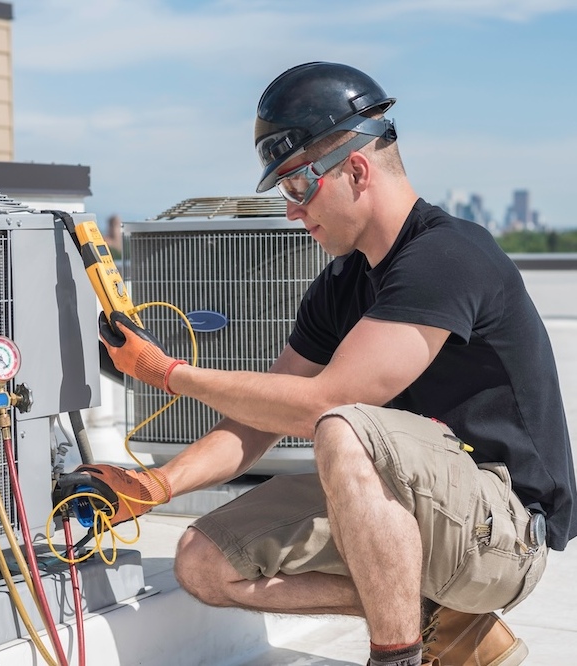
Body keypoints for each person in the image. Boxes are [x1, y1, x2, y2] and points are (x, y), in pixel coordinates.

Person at [58, 62, 577, 666]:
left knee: (341, 427)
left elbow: (323, 404)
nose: (291, 211)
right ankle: (448, 624)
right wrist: (156, 485)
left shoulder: (448, 255)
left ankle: (398, 656)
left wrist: (168, 372)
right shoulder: (340, 284)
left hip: (505, 532)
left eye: (298, 185)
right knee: (203, 561)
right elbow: (262, 416)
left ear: (356, 169)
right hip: (422, 515)